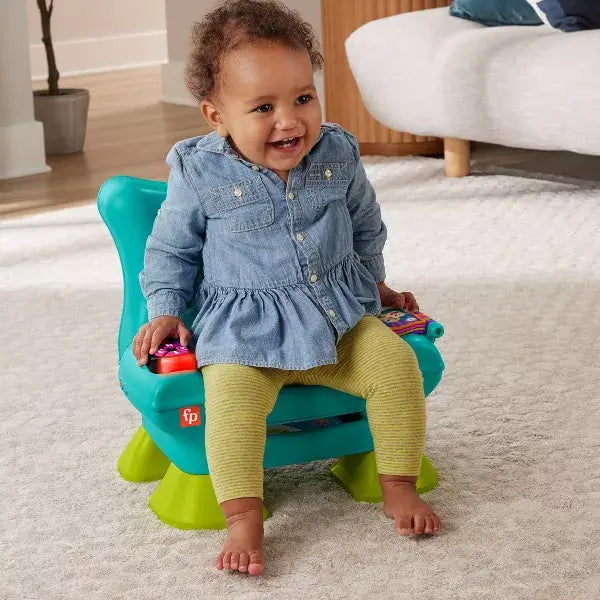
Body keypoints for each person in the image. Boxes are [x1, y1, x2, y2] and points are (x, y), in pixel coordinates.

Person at [132, 0, 441, 576]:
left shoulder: (338, 153)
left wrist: (375, 284)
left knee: (397, 367)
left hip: (337, 318)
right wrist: (167, 310)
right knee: (230, 407)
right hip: (244, 334)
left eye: (303, 98)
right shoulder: (200, 171)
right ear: (216, 116)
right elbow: (172, 250)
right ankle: (243, 514)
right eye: (263, 107)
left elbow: (365, 224)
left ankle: (397, 482)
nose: (289, 121)